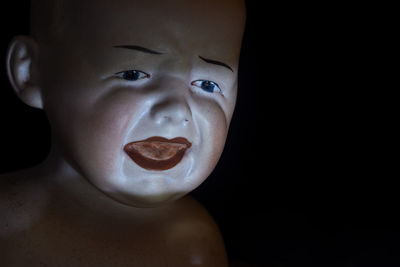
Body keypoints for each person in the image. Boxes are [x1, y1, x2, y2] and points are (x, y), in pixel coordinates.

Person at [1, 0, 246, 265]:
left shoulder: (192, 245)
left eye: (208, 84)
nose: (176, 110)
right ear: (32, 72)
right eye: (132, 74)